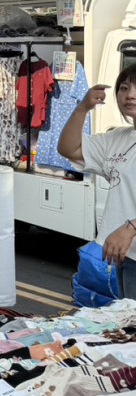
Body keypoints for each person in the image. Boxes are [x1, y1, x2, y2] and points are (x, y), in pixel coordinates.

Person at [59, 66, 136, 296]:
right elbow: (68, 148)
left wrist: (131, 228)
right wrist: (83, 108)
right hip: (126, 256)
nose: (130, 95)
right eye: (124, 88)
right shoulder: (118, 138)